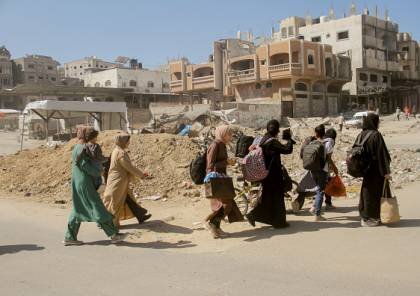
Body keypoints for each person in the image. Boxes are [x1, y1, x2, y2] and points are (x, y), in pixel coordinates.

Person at [63, 127, 125, 246]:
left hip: (78, 182)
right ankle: (114, 235)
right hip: (85, 183)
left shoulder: (77, 147)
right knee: (98, 208)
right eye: (94, 137)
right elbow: (85, 166)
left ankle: (69, 237)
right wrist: (99, 172)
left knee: (77, 210)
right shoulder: (82, 149)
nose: (96, 139)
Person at [245, 120, 295, 229]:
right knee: (277, 198)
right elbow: (287, 150)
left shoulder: (263, 139)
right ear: (277, 130)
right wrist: (289, 139)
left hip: (264, 173)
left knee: (267, 197)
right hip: (274, 174)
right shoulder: (272, 141)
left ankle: (254, 215)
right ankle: (279, 222)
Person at [102, 133, 149, 229]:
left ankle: (139, 216)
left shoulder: (117, 150)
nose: (129, 143)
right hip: (118, 182)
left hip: (118, 181)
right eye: (128, 141)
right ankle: (110, 225)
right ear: (123, 142)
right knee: (115, 202)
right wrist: (141, 175)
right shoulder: (120, 153)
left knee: (123, 200)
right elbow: (129, 167)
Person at [204, 125, 243, 238]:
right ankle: (211, 223)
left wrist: (227, 162)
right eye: (229, 134)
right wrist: (226, 162)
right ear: (222, 133)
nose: (231, 136)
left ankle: (216, 227)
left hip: (221, 177)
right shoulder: (215, 145)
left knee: (224, 204)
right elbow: (210, 164)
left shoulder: (222, 145)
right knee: (226, 204)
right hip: (215, 179)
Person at [358, 113, 391, 227]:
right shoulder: (376, 135)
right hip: (376, 171)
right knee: (375, 194)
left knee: (366, 192)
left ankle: (365, 217)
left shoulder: (361, 134)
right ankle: (373, 217)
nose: (379, 123)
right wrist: (386, 172)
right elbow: (382, 155)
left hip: (365, 170)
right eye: (378, 121)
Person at [307, 124, 329, 221]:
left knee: (318, 189)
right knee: (320, 191)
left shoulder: (311, 143)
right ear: (324, 133)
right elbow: (326, 158)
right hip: (322, 170)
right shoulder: (323, 144)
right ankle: (317, 214)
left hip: (312, 170)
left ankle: (314, 208)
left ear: (316, 133)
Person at [322, 128, 339, 210]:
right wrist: (334, 168)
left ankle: (326, 203)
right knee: (327, 185)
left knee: (322, 185)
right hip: (324, 169)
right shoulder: (329, 143)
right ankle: (326, 204)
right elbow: (329, 158)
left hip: (317, 167)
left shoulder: (322, 141)